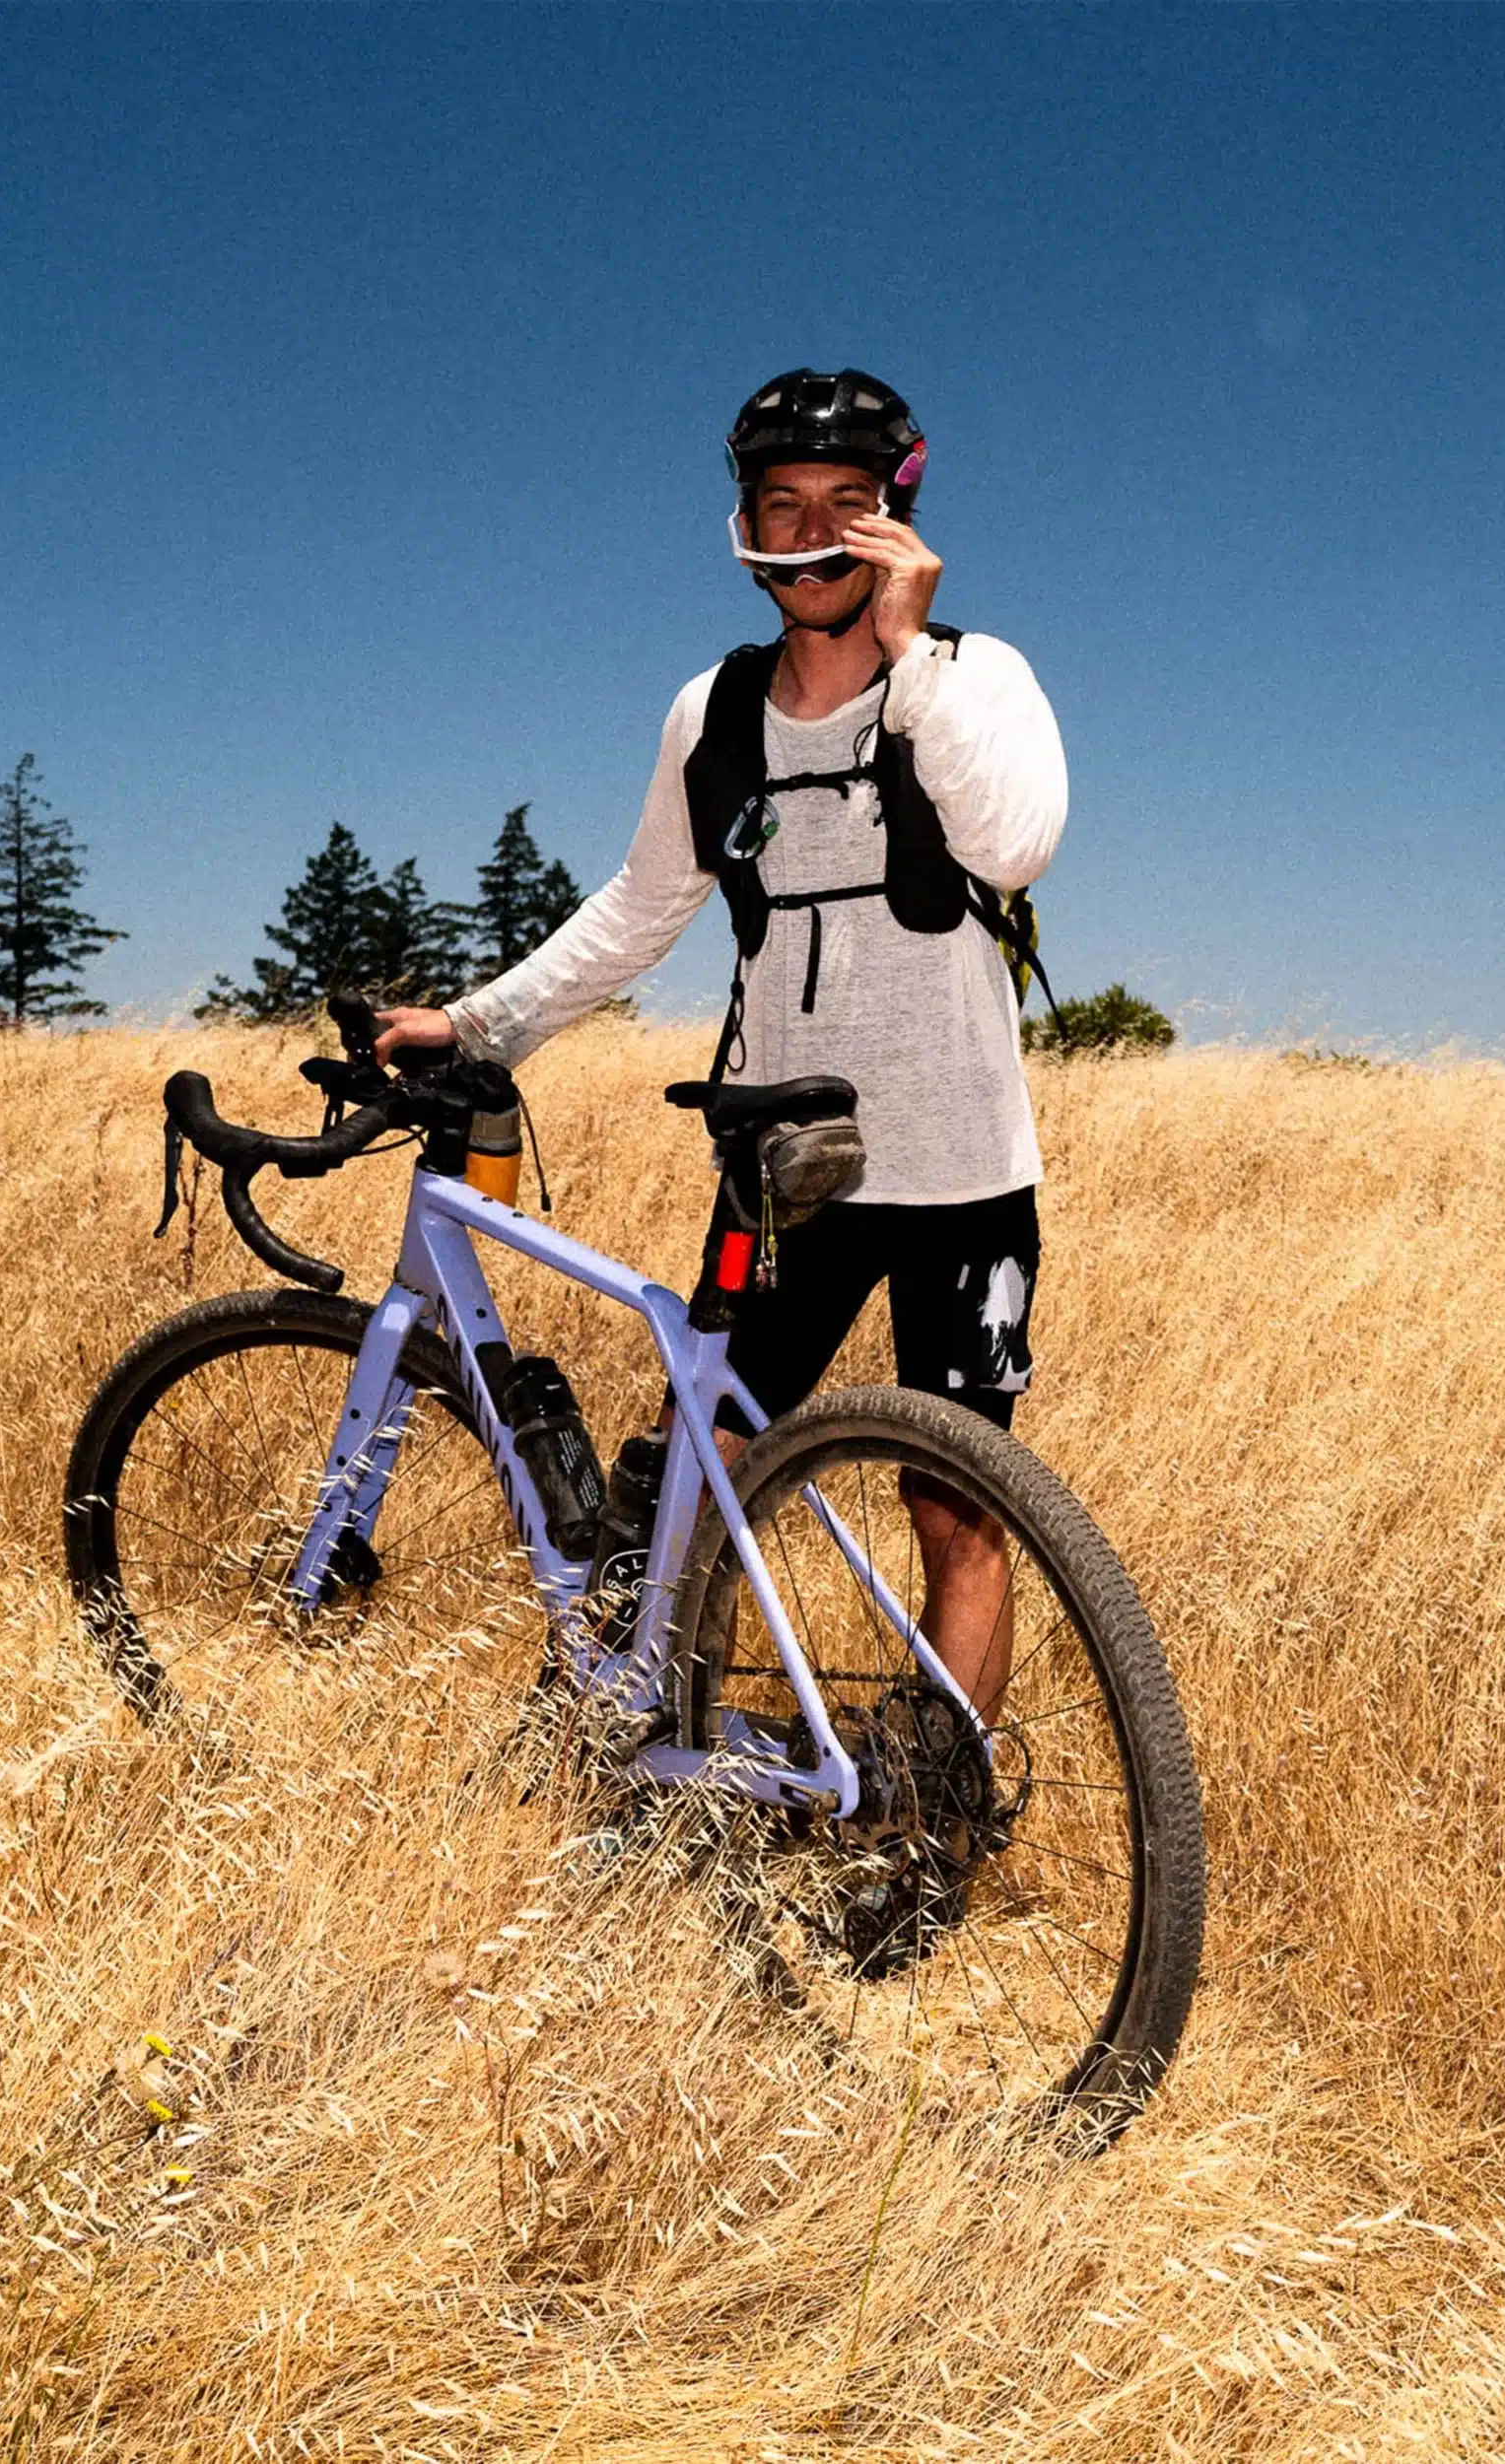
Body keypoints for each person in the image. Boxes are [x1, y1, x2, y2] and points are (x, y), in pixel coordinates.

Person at [375, 368, 1066, 1714]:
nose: (812, 535)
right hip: (784, 1165)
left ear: (897, 520)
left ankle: (945, 1811)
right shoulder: (713, 715)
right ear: (746, 522)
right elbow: (639, 910)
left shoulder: (979, 676)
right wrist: (477, 1021)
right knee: (715, 1467)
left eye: (848, 507)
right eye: (784, 504)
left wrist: (913, 660)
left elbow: (1014, 842)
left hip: (964, 1168)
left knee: (957, 1509)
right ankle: (671, 1747)